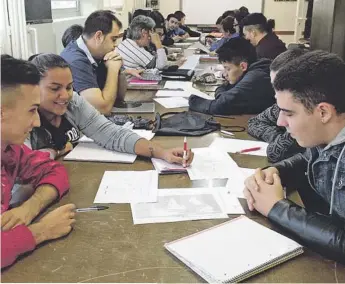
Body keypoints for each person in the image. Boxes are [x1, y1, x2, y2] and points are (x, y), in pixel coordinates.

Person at [244, 50, 345, 263]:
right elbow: (308, 159)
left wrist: (277, 208)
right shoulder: (327, 135)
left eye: (289, 113)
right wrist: (276, 172)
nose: (280, 122)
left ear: (323, 112)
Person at [27, 53, 194, 166]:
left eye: (69, 87)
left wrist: (162, 152)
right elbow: (24, 165)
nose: (65, 95)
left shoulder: (73, 103)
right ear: (32, 87)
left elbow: (111, 134)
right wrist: (59, 150)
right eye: (55, 88)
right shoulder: (23, 117)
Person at [1, 55, 76, 268]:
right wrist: (41, 231)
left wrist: (31, 207)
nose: (36, 122)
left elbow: (53, 171)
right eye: (31, 111)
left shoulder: (11, 149)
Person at [60, 10, 134, 114]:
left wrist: (119, 70)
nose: (115, 45)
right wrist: (112, 69)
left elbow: (119, 97)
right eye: (113, 39)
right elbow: (103, 109)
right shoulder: (76, 61)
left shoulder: (97, 54)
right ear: (98, 36)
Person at [247, 48, 307, 163]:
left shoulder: (306, 110)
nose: (275, 95)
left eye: (281, 88)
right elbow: (254, 122)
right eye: (274, 87)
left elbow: (275, 153)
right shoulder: (280, 107)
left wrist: (283, 137)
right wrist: (276, 136)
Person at [189, 37, 275, 115]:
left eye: (228, 68)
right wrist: (223, 92)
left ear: (243, 66)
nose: (225, 73)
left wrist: (192, 100)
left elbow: (220, 105)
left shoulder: (256, 77)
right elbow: (225, 98)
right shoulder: (255, 69)